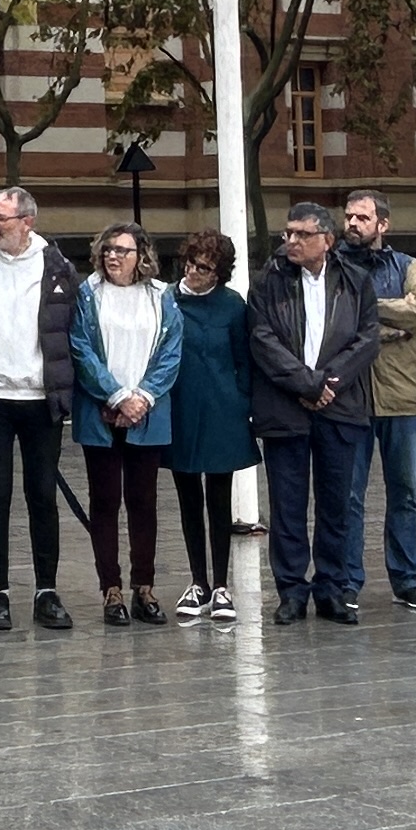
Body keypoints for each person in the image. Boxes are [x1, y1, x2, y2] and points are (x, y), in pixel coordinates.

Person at [0, 185, 84, 632]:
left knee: (42, 497)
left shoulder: (59, 267)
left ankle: (46, 591)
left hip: (40, 399)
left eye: (2, 219)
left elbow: (73, 332)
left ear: (27, 222)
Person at [246, 201, 376, 624]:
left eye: (303, 234)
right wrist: (306, 384)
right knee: (287, 504)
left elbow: (366, 339)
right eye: (289, 233)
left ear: (327, 240)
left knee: (336, 503)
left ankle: (331, 588)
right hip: (286, 406)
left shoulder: (355, 280)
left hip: (340, 408)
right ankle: (291, 590)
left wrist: (328, 384)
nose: (292, 241)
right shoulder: (268, 281)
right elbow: (263, 340)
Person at [71, 224, 186, 624]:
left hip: (147, 414)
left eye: (122, 250)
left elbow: (171, 352)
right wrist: (117, 395)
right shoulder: (88, 294)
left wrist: (142, 399)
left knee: (144, 503)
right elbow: (81, 349)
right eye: (107, 250)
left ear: (143, 256)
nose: (112, 257)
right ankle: (111, 589)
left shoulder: (162, 296)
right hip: (101, 413)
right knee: (104, 502)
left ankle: (144, 587)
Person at [346, 194, 416, 612]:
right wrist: (385, 330)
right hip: (350, 398)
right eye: (348, 216)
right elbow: (335, 321)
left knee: (406, 493)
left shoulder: (407, 266)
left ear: (383, 223)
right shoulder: (334, 265)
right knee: (348, 495)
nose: (353, 223)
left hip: (403, 398)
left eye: (362, 217)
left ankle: (407, 578)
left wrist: (367, 313)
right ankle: (347, 580)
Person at [161, 230, 256, 623]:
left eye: (205, 267)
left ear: (220, 273)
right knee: (187, 497)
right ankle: (196, 580)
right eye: (191, 262)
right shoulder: (166, 299)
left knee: (219, 498)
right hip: (180, 407)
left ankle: (220, 585)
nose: (194, 271)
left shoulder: (232, 306)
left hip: (222, 409)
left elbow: (244, 359)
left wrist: (243, 403)